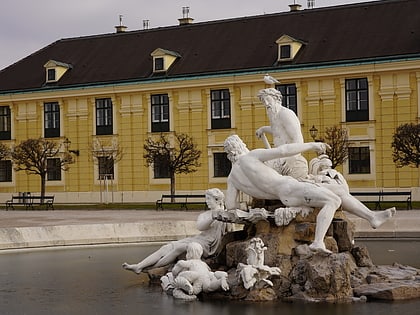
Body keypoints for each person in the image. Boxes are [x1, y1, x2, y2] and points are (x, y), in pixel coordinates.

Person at [224, 134, 341, 254]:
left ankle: (317, 239)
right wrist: (312, 145)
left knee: (330, 196)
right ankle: (318, 241)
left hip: (285, 197)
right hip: (290, 188)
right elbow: (284, 150)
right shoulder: (251, 156)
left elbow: (230, 206)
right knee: (334, 200)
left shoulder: (232, 178)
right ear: (241, 146)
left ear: (229, 154)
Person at [122, 188, 232, 274]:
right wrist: (213, 216)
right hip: (198, 239)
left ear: (217, 200)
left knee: (178, 248)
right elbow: (200, 227)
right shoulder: (205, 215)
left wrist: (221, 214)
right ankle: (139, 266)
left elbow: (229, 230)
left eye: (209, 199)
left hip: (208, 245)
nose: (206, 201)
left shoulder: (225, 214)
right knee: (167, 247)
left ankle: (150, 268)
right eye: (206, 198)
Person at [308, 154, 396, 229]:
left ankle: (372, 216)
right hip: (305, 186)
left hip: (309, 185)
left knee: (341, 192)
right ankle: (372, 217)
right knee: (340, 191)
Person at [255, 88, 308, 180]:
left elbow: (298, 138)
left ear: (277, 99)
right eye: (263, 101)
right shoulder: (275, 116)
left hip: (291, 160)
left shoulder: (286, 114)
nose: (266, 104)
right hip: (280, 158)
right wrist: (263, 129)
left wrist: (292, 158)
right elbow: (278, 131)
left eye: (268, 100)